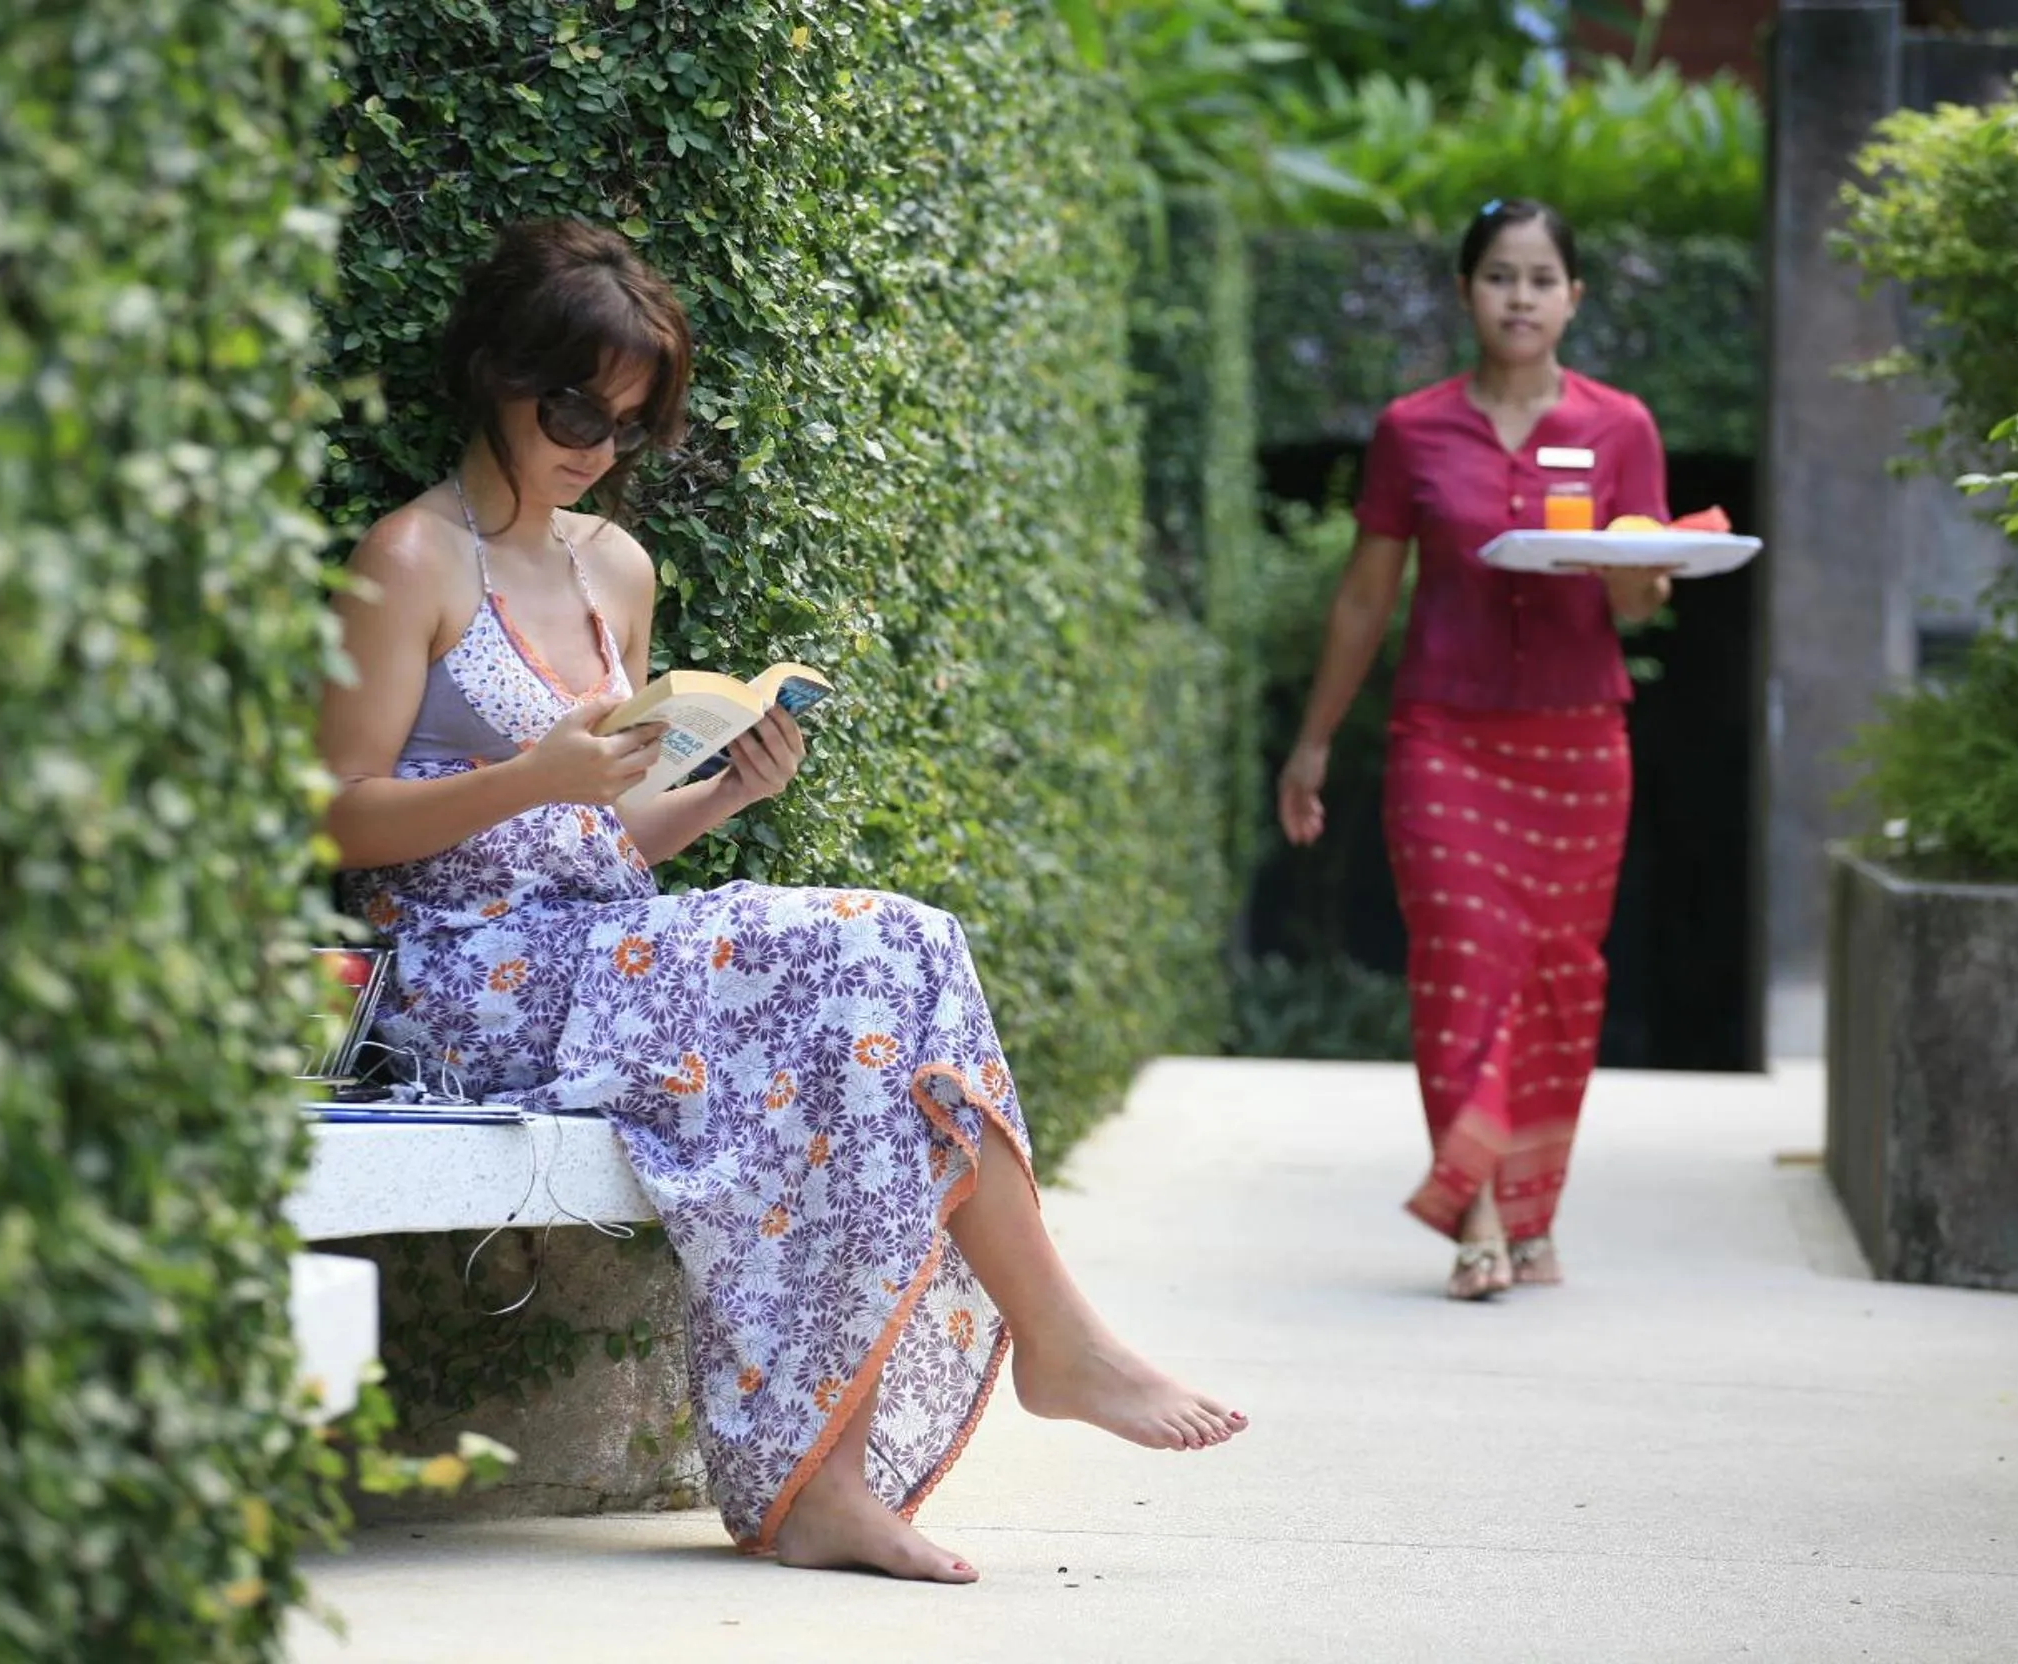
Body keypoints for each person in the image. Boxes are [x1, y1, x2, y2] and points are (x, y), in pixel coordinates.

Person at [319, 220, 1246, 1584]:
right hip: (463, 985)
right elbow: (336, 820)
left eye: (630, 425)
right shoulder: (409, 562)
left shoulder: (613, 570)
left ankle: (860, 1462)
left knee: (898, 955)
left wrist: (724, 793)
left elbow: (606, 839)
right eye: (571, 405)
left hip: (592, 952)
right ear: (492, 372)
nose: (594, 443)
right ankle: (1028, 1356)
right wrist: (532, 776)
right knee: (861, 966)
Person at [1276, 198, 1674, 1303]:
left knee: (1553, 978)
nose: (1520, 297)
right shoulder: (1414, 428)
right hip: (1441, 736)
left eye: (1542, 278)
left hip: (1578, 743)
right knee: (1460, 960)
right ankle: (1483, 1214)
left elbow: (1640, 599)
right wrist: (1313, 743)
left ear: (1573, 298)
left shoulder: (1621, 427)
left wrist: (1635, 571)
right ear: (1466, 293)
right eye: (1500, 276)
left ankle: (1534, 1206)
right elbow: (1365, 598)